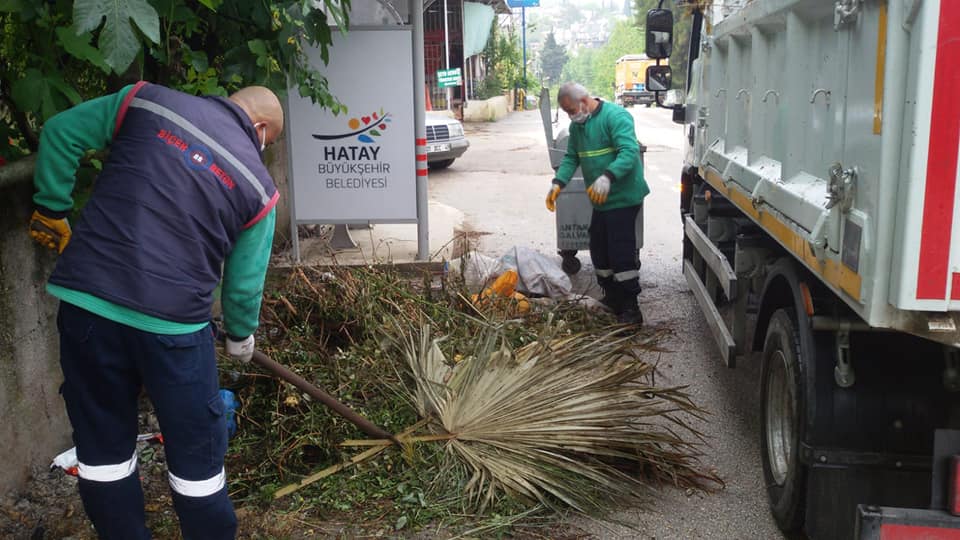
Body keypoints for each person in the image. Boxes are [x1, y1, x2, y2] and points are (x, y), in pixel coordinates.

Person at [28, 81, 283, 539]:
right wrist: (241, 336)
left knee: (102, 448)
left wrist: (52, 207)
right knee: (196, 456)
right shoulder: (258, 186)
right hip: (175, 330)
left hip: (88, 309)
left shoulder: (145, 100)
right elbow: (244, 288)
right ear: (259, 129)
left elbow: (61, 131)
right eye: (268, 143)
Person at [545, 82, 650, 325]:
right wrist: (558, 183)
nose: (572, 116)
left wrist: (608, 176)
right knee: (599, 249)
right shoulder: (578, 127)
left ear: (584, 100)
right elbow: (572, 157)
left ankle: (631, 309)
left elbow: (628, 151)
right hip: (601, 200)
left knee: (620, 250)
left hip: (623, 197)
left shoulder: (616, 117)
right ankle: (613, 296)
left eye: (572, 110)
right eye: (568, 112)